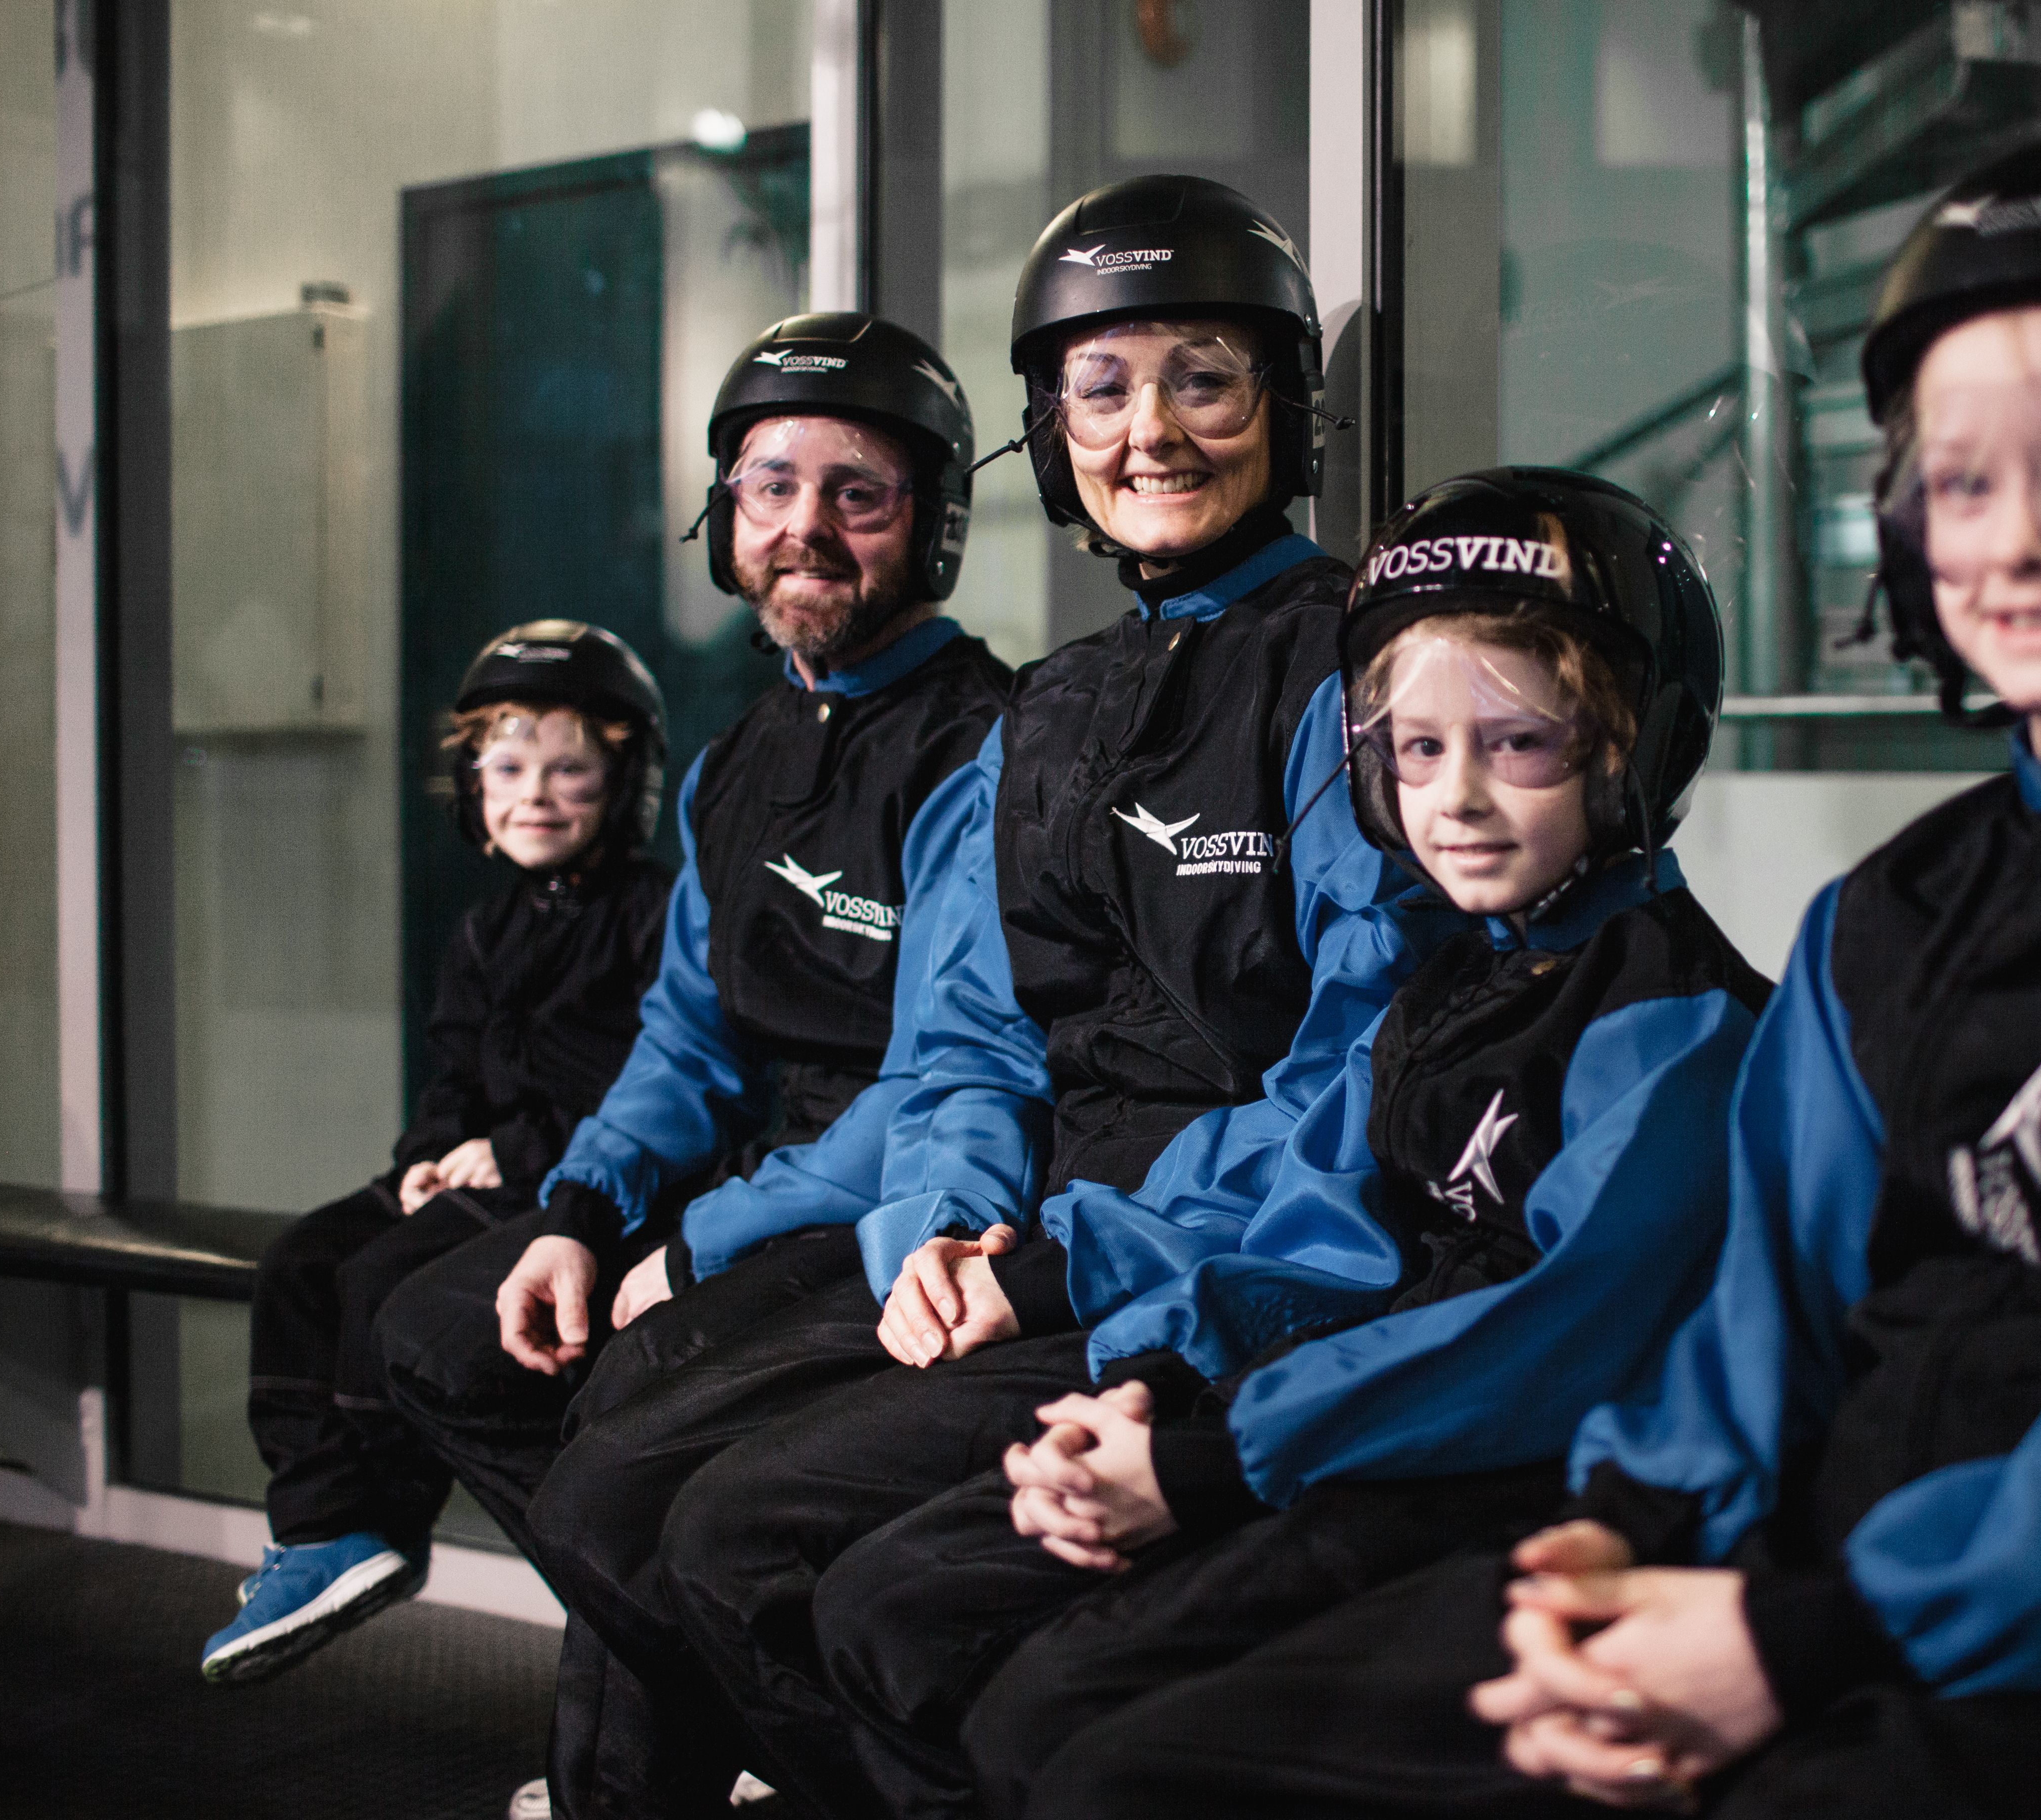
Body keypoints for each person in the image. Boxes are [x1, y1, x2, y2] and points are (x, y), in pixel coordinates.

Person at [999, 130, 2041, 1820]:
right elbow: (1763, 1320)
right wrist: (1625, 1534)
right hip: (1814, 1593)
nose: (2010, 541)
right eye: (1957, 481)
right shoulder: (1895, 907)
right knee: (1124, 1772)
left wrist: (1798, 1636)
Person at [517, 173, 1423, 1820]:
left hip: (1211, 1263)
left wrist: (1064, 1254)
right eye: (1100, 386)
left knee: (735, 1536)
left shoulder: (1355, 670)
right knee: (611, 1465)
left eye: (1200, 380)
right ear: (1047, 423)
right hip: (1022, 1250)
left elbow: (1359, 1074)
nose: (1147, 428)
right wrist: (938, 1227)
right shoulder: (1052, 704)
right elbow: (970, 1040)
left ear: (1284, 408)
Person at [793, 468, 1769, 1820]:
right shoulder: (1449, 984)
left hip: (1493, 1480)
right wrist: (1150, 1380)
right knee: (888, 1606)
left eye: (1521, 743)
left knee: (1053, 1723)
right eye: (1416, 751)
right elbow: (1323, 1234)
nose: (1458, 799)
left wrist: (1208, 1459)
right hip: (1315, 1424)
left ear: (1632, 745)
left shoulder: (1673, 1029)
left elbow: (1542, 1337)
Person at [364, 312, 1010, 1807]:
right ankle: (720, 1681)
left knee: (628, 1423)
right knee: (436, 1333)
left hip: (889, 1189)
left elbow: (950, 1074)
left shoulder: (984, 743)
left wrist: (699, 1245)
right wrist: (586, 1212)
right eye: (768, 487)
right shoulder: (734, 764)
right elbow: (683, 1039)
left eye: (857, 493)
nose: (803, 528)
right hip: (749, 1165)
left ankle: (664, 1764)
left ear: (932, 524)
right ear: (725, 517)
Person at [198, 623, 672, 1685]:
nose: (536, 795)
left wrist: (502, 1151)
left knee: (380, 1280)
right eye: (507, 768)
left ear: (623, 783)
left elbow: (634, 1088)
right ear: (470, 786)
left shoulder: (650, 915)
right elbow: (452, 1069)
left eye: (569, 770)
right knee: (305, 1261)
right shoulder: (482, 928)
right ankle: (319, 1523)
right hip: (476, 1169)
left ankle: (375, 1510)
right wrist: (425, 1152)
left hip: (567, 1184)